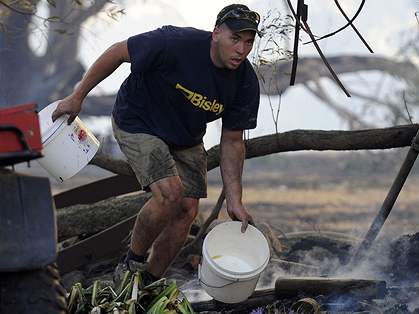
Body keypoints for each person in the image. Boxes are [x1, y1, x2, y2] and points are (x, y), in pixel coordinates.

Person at [52, 3, 262, 282]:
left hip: (185, 137)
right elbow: (117, 52)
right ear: (216, 34)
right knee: (169, 193)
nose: (241, 50)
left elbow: (233, 141)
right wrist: (77, 97)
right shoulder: (174, 42)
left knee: (187, 208)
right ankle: (130, 264)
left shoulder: (245, 82)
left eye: (248, 42)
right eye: (234, 39)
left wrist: (234, 199)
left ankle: (148, 283)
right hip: (138, 121)